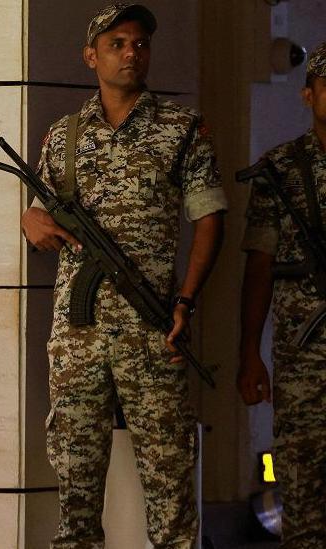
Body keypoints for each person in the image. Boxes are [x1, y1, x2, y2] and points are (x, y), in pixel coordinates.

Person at [20, 4, 227, 547]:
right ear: (91, 56)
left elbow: (210, 219)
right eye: (117, 43)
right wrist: (29, 219)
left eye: (140, 44)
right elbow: (38, 216)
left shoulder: (180, 129)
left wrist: (185, 300)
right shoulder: (61, 137)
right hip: (77, 337)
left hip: (153, 331)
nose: (132, 53)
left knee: (170, 488)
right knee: (76, 493)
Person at [239, 41, 326, 549]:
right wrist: (250, 354)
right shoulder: (281, 169)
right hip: (302, 358)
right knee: (303, 491)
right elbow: (260, 268)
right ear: (307, 95)